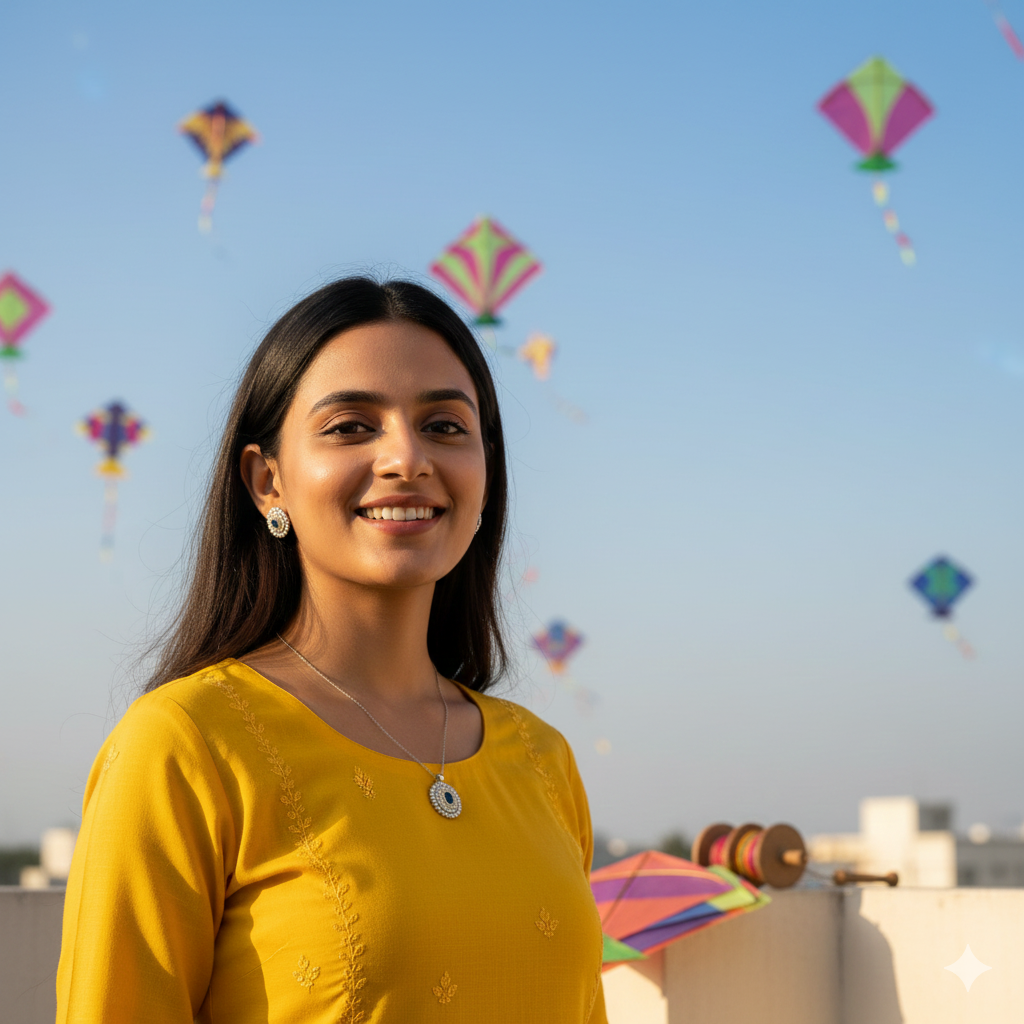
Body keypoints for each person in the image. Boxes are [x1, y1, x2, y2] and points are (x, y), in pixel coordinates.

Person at [55, 277, 608, 1023]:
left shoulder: (543, 763)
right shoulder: (185, 747)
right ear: (267, 482)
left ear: (486, 471)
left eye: (445, 426)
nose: (406, 458)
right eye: (351, 427)